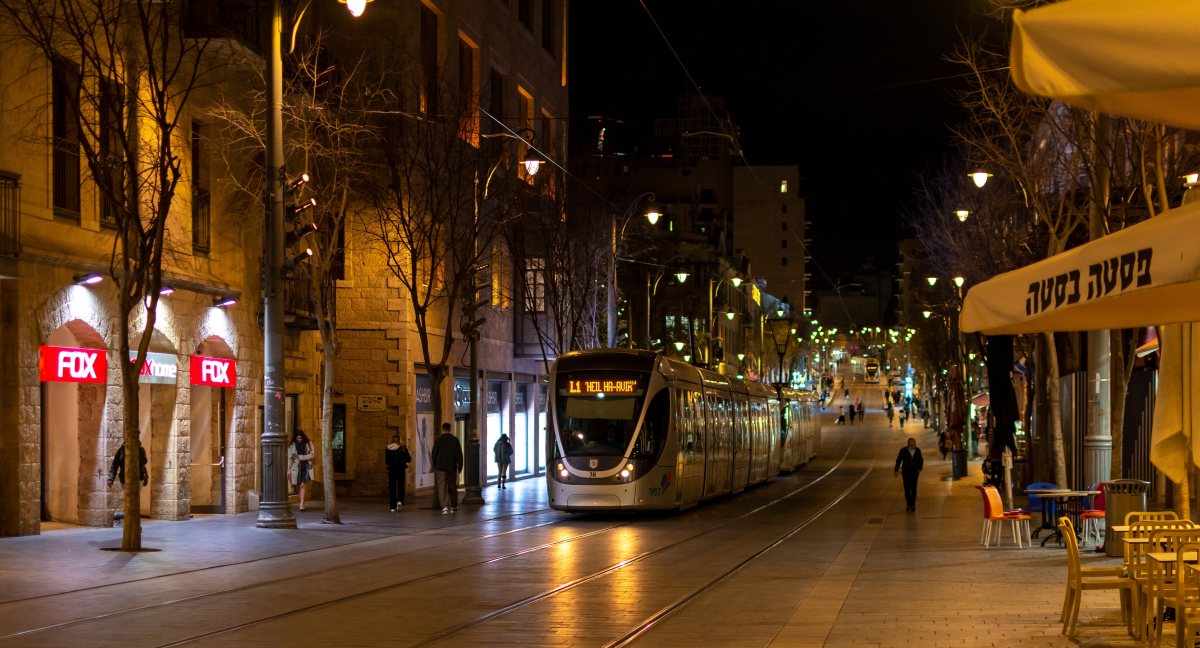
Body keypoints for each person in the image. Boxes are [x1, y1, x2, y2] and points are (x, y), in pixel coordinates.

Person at [431, 422, 463, 514]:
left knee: (442, 487)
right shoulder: (455, 440)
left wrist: (435, 465)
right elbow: (459, 454)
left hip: (440, 467)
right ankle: (453, 506)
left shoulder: (438, 440)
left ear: (442, 428)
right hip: (451, 467)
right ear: (450, 429)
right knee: (452, 487)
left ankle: (444, 507)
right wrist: (460, 466)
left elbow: (434, 453)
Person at [894, 437, 924, 512]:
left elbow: (921, 460)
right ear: (908, 444)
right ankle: (908, 504)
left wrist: (919, 468)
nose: (912, 445)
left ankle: (913, 504)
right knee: (907, 489)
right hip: (906, 473)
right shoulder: (903, 451)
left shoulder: (918, 450)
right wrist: (896, 470)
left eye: (914, 443)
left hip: (914, 473)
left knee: (913, 489)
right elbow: (899, 460)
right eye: (911, 444)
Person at [287, 430, 315, 511]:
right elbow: (290, 459)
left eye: (301, 438)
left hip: (305, 466)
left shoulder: (309, 443)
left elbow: (313, 455)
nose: (299, 439)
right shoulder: (292, 445)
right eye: (298, 438)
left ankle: (302, 504)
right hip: (295, 467)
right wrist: (288, 470)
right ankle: (301, 502)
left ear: (303, 437)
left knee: (302, 485)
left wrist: (301, 457)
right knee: (299, 485)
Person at [385, 434, 412, 511]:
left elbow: (386, 461)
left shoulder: (388, 449)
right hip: (400, 469)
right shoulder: (403, 448)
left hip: (392, 470)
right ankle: (400, 500)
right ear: (400, 441)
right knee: (400, 486)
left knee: (392, 488)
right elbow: (409, 459)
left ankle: (392, 507)